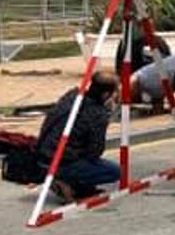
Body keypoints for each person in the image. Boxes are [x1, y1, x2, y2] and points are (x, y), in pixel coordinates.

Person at [35, 71, 120, 202]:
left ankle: (76, 185)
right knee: (114, 171)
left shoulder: (72, 95)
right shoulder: (97, 114)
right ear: (106, 94)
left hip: (42, 153)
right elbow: (95, 151)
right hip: (61, 160)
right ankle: (64, 178)